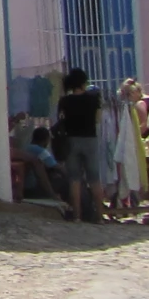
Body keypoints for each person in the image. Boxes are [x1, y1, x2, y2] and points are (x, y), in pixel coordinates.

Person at [55, 68, 106, 221]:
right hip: (90, 140)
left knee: (74, 179)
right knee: (94, 179)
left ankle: (77, 216)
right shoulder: (93, 99)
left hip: (71, 141)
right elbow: (98, 119)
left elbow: (60, 120)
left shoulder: (64, 101)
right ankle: (100, 216)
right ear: (84, 82)